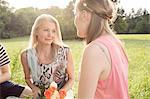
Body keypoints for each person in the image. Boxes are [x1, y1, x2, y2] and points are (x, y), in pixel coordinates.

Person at [74, 0, 130, 99]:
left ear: (84, 15)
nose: (74, 20)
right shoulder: (116, 43)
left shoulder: (94, 50)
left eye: (75, 14)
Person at [21, 14, 74, 98]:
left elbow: (71, 79)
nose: (50, 35)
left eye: (53, 31)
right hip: (41, 95)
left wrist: (60, 93)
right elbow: (27, 78)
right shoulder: (26, 55)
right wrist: (34, 88)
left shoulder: (65, 51)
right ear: (36, 31)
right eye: (46, 30)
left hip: (63, 93)